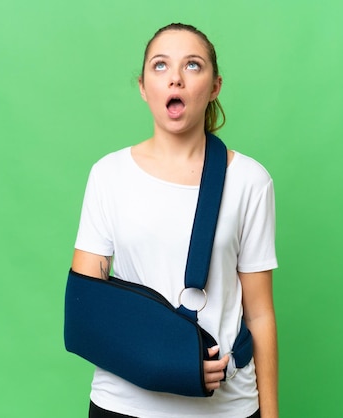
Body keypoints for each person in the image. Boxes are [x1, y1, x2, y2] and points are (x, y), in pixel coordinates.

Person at [71, 23, 278, 418]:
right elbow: (88, 311)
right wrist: (169, 365)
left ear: (215, 86)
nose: (176, 79)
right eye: (161, 66)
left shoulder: (250, 181)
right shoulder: (108, 175)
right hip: (123, 405)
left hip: (226, 408)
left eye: (193, 66)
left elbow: (260, 314)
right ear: (143, 86)